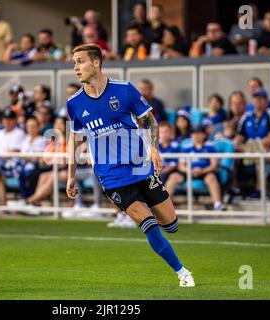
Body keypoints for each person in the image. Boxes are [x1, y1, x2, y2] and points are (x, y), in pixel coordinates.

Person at [66, 44, 195, 287]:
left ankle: (166, 228)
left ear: (96, 63)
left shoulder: (124, 90)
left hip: (139, 167)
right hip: (112, 177)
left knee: (171, 225)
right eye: (74, 63)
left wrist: (154, 148)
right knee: (148, 225)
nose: (76, 67)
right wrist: (71, 176)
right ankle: (182, 272)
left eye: (80, 61)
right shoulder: (74, 103)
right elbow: (74, 139)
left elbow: (150, 121)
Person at [234, 88, 270, 199]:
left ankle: (260, 190)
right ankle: (233, 189)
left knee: (259, 152)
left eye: (261, 98)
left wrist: (254, 145)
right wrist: (237, 144)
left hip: (267, 149)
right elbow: (239, 135)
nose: (258, 101)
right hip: (247, 148)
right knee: (232, 151)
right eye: (255, 98)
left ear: (266, 101)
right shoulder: (246, 116)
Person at [166, 125, 224, 210]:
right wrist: (190, 170)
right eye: (194, 134)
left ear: (204, 135)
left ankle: (218, 204)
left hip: (205, 171)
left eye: (199, 133)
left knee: (211, 177)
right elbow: (181, 166)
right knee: (173, 177)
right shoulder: (187, 148)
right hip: (189, 171)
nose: (196, 136)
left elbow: (214, 164)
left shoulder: (210, 147)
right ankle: (165, 206)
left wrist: (203, 171)